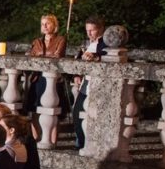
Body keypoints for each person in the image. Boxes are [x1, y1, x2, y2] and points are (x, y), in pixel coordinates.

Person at [24, 14, 67, 142]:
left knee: (52, 110)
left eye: (47, 23)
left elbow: (57, 56)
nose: (44, 26)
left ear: (54, 25)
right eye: (42, 24)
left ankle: (52, 141)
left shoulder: (60, 40)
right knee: (35, 109)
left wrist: (39, 57)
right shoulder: (37, 41)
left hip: (52, 79)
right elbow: (31, 57)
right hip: (38, 78)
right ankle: (35, 138)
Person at [72, 16, 106, 150]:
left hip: (98, 84)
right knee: (77, 112)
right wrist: (77, 74)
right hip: (85, 84)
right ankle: (80, 141)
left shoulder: (105, 43)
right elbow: (79, 60)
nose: (89, 33)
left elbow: (108, 57)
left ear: (101, 29)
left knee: (92, 114)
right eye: (87, 30)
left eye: (92, 30)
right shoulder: (86, 43)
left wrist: (96, 57)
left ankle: (88, 143)